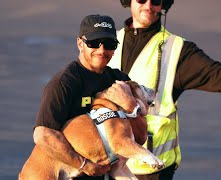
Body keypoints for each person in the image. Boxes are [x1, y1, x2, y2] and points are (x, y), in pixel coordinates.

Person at [106, 0, 221, 179]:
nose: (148, 5)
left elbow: (216, 74)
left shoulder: (177, 50)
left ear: (165, 4)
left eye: (156, 0)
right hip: (107, 161)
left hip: (149, 169)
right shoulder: (109, 42)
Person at [33, 14, 140, 180]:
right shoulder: (64, 83)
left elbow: (139, 137)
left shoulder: (120, 81)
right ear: (80, 44)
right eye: (94, 43)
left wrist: (131, 106)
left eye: (109, 44)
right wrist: (84, 165)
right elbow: (42, 135)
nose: (102, 50)